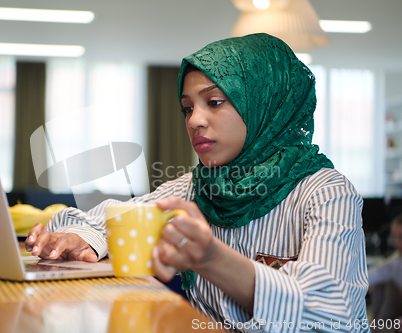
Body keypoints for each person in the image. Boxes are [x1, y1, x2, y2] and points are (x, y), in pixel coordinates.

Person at [26, 33, 369, 332]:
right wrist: (76, 239)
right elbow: (103, 220)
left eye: (215, 102)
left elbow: (331, 313)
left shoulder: (326, 192)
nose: (195, 121)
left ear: (265, 105)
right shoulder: (192, 188)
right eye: (187, 108)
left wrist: (213, 260)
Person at [368, 215, 402, 321]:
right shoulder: (395, 262)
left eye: (400, 237)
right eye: (393, 237)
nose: (395, 242)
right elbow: (367, 277)